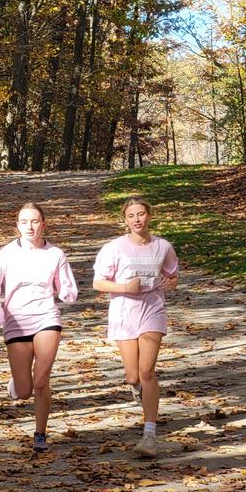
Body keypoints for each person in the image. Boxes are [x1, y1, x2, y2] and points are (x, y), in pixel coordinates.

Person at [0, 201, 77, 453]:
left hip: (47, 318)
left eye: (35, 221)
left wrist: (67, 292)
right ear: (17, 226)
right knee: (25, 391)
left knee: (41, 380)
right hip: (15, 322)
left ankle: (40, 434)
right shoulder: (6, 254)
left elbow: (68, 288)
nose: (30, 226)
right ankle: (16, 384)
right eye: (24, 222)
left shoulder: (55, 254)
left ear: (43, 225)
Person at [92, 196, 178, 458]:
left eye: (141, 214)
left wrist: (172, 283)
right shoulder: (114, 247)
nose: (137, 219)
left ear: (149, 216)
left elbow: (173, 274)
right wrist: (124, 287)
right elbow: (98, 283)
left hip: (152, 309)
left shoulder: (162, 246)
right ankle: (137, 389)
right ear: (125, 219)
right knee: (133, 376)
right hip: (123, 311)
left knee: (147, 371)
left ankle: (149, 435)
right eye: (131, 216)